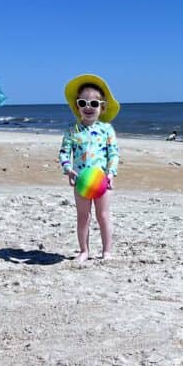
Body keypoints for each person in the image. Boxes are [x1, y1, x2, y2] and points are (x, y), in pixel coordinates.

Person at [59, 74, 120, 264]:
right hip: (81, 181)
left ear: (102, 108)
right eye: (83, 102)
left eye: (94, 104)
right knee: (83, 216)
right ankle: (84, 250)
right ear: (77, 106)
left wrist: (111, 173)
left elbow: (114, 154)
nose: (88, 107)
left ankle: (106, 250)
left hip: (102, 180)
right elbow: (63, 153)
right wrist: (68, 169)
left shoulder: (107, 129)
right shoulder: (72, 130)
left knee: (103, 216)